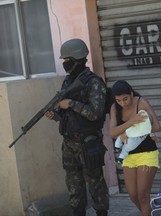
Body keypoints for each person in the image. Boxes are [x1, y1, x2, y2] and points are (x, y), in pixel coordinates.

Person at [45, 38, 109, 216]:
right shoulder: (68, 82)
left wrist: (71, 103)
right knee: (74, 185)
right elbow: (67, 115)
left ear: (78, 59)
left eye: (67, 61)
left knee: (95, 183)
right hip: (69, 143)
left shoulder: (94, 82)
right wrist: (55, 116)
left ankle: (102, 213)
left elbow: (95, 113)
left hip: (88, 142)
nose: (65, 64)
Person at [109, 80, 160, 216]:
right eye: (119, 100)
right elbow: (113, 132)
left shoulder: (141, 102)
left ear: (131, 93)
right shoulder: (115, 108)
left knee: (143, 195)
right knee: (133, 195)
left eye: (125, 98)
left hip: (147, 153)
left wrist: (130, 131)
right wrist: (131, 123)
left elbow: (156, 126)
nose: (123, 103)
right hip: (128, 156)